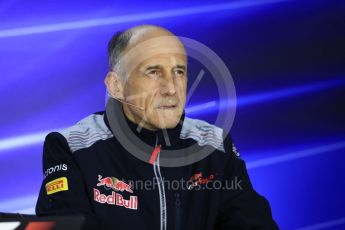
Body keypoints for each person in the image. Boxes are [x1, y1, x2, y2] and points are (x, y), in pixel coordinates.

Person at [36, 25, 278, 230]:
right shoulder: (71, 145)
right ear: (116, 86)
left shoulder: (213, 143)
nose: (171, 88)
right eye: (153, 72)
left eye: (179, 72)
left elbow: (253, 224)